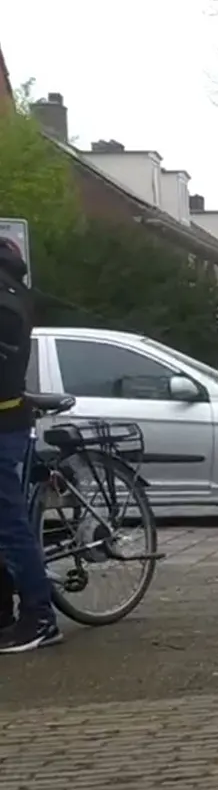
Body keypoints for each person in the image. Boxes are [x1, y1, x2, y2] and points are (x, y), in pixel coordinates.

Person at [0, 238, 55, 652]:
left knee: (10, 525)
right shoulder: (14, 292)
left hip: (4, 423)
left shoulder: (6, 302)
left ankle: (40, 617)